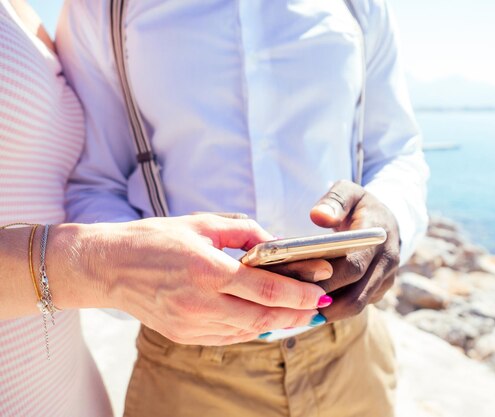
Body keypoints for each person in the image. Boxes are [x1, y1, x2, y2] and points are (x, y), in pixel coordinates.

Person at [57, 0, 429, 416]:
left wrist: (391, 216)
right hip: (188, 373)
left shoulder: (360, 6)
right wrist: (139, 274)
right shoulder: (103, 9)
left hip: (352, 355)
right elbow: (94, 181)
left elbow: (397, 152)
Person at [0, 1, 332, 416]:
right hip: (176, 363)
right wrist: (102, 267)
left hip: (67, 390)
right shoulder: (99, 10)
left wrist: (394, 225)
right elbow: (96, 177)